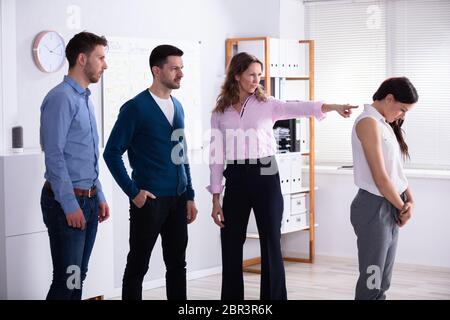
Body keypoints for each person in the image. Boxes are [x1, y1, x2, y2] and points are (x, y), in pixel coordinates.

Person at [208, 52, 358, 300]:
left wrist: (332, 107)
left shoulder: (268, 104)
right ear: (236, 76)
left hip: (266, 173)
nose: (257, 79)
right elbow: (216, 156)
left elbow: (300, 106)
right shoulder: (220, 112)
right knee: (231, 243)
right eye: (251, 74)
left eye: (259, 75)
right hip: (235, 176)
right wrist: (216, 197)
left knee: (270, 242)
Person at [103, 44, 198, 300]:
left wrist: (189, 195)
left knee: (178, 265)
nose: (181, 73)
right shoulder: (135, 108)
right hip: (150, 201)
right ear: (157, 70)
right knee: (138, 266)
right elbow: (111, 152)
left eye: (182, 68)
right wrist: (133, 192)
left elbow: (182, 154)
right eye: (174, 68)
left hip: (178, 200)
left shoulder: (178, 106)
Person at [40, 31, 110, 300]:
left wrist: (99, 194)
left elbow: (85, 156)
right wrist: (70, 204)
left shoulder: (84, 99)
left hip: (88, 200)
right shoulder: (61, 98)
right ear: (82, 59)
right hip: (66, 204)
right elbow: (54, 156)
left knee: (77, 277)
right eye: (100, 58)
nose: (105, 65)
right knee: (67, 280)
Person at [350, 77, 418, 300]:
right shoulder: (368, 122)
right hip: (374, 207)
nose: (402, 115)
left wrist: (410, 200)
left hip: (390, 204)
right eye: (402, 109)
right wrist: (402, 208)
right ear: (389, 99)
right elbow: (380, 178)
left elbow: (395, 170)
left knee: (383, 280)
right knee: (373, 278)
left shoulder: (383, 124)